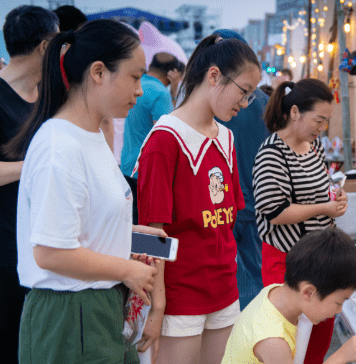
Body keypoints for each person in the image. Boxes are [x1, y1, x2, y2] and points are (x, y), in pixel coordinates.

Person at [3, 19, 164, 363]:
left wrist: (133, 238)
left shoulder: (88, 136)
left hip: (95, 308)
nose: (141, 90)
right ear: (98, 72)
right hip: (70, 314)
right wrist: (127, 269)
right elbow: (51, 252)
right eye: (135, 77)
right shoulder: (59, 144)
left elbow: (83, 228)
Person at [133, 34, 261, 364]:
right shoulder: (165, 139)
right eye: (243, 93)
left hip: (223, 288)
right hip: (178, 294)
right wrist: (157, 306)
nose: (244, 104)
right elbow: (150, 232)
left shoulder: (227, 137)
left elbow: (226, 220)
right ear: (214, 76)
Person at [253, 78, 348, 363]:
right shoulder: (272, 153)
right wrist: (324, 208)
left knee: (318, 335)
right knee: (289, 341)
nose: (323, 128)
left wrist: (336, 195)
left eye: (326, 121)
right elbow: (275, 211)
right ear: (294, 112)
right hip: (286, 262)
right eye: (319, 120)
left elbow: (321, 186)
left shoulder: (314, 145)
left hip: (319, 257)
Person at [0, 5, 58, 362]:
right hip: (7, 250)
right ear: (44, 45)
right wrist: (33, 165)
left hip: (48, 248)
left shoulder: (50, 97)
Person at [222, 228, 356, 364]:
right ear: (308, 293)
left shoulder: (276, 292)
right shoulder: (274, 342)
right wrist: (342, 356)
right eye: (338, 302)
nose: (339, 310)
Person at [211, 29, 271, 310]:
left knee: (223, 278)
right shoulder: (264, 102)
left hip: (224, 204)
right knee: (259, 278)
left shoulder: (212, 103)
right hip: (252, 202)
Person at [121, 52, 180, 224]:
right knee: (147, 225)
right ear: (171, 73)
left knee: (131, 220)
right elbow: (166, 132)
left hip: (127, 165)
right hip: (147, 171)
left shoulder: (137, 85)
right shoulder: (161, 94)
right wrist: (174, 91)